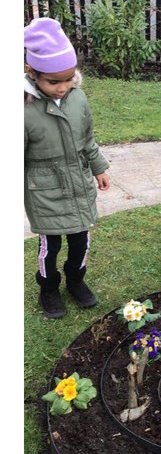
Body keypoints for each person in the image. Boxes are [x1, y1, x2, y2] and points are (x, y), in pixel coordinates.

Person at [24, 17, 110, 320]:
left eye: (68, 79)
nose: (62, 88)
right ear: (31, 72)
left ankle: (76, 281)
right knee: (51, 245)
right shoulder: (23, 109)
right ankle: (48, 288)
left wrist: (98, 167)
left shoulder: (78, 99)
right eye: (53, 82)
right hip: (45, 191)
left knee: (80, 240)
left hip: (78, 183)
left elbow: (87, 138)